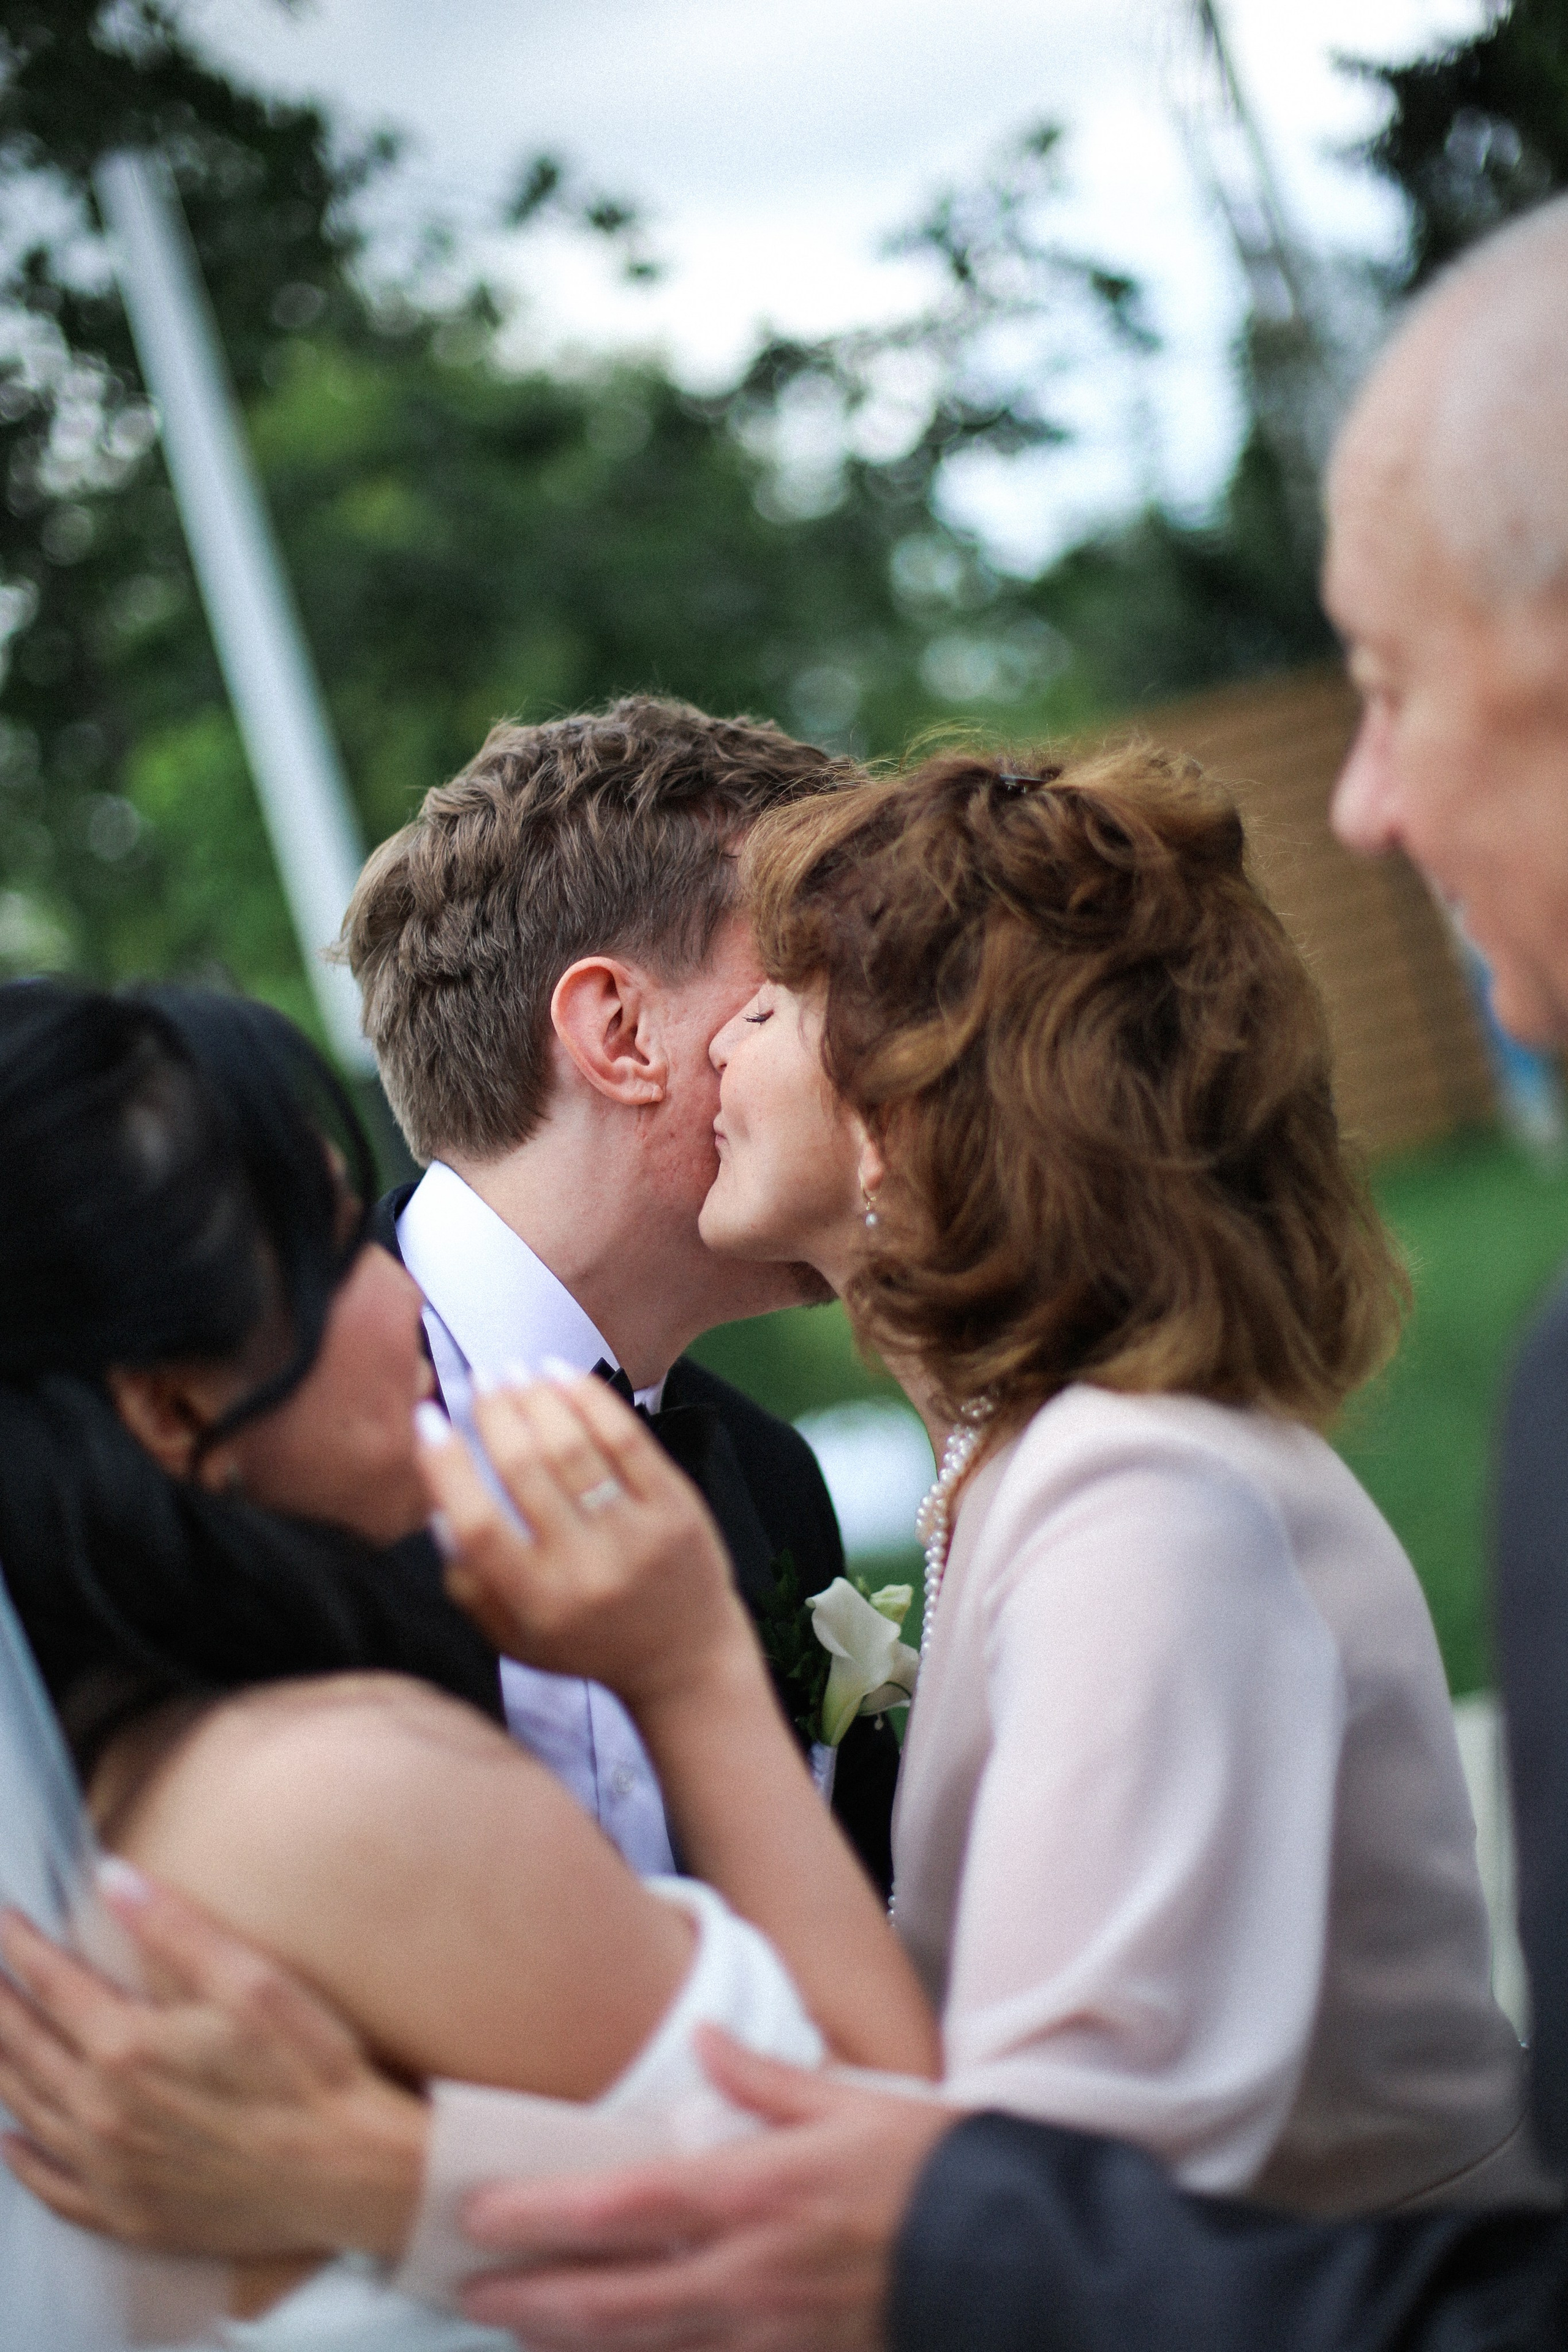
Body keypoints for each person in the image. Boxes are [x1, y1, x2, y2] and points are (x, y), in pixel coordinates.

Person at [9, 192, 1568, 2352]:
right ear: (616, 1031)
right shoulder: (257, 1486)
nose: (759, 1034)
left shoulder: (1030, 1495)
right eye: (764, 969)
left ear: (950, 1084)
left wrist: (392, 2168)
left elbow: (998, 2220)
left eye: (812, 990)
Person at [0, 978, 937, 2349]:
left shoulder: (106, 1802)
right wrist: (691, 1678)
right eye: (331, 1245)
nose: (397, 1288)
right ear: (170, 1406)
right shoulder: (340, 1793)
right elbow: (912, 2213)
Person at [342, 694, 899, 1891]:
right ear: (622, 1032)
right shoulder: (297, 1442)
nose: (878, 1044)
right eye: (807, 977)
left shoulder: (770, 1481)